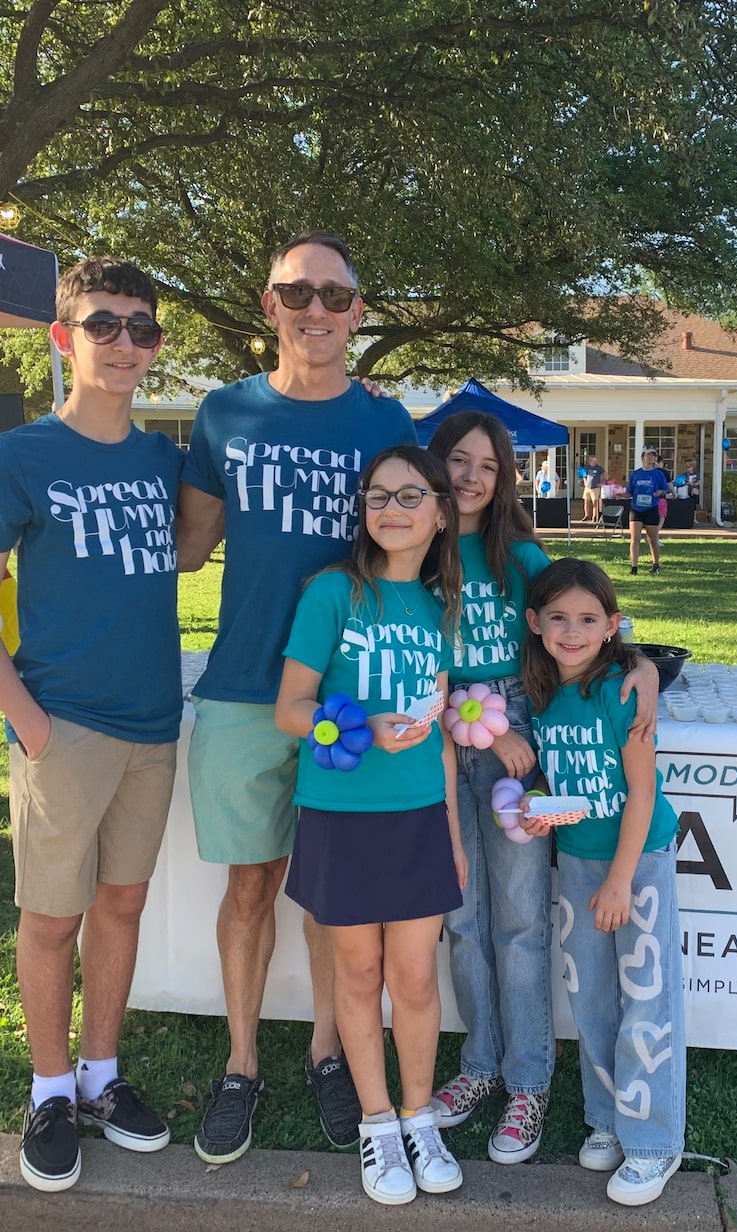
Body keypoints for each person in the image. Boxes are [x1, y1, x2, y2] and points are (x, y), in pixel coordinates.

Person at [176, 231, 417, 1163]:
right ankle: (243, 1064)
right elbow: (186, 547)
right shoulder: (222, 414)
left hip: (352, 699)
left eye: (334, 294)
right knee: (250, 888)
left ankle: (325, 1052)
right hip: (244, 690)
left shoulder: (387, 422)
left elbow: (430, 545)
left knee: (332, 900)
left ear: (356, 313)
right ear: (269, 305)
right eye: (296, 291)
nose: (315, 308)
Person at [426, 412, 659, 1165]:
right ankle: (480, 1065)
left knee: (521, 920)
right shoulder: (416, 551)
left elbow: (582, 629)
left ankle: (528, 1080)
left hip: (515, 742)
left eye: (486, 466)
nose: (469, 476)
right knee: (461, 918)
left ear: (503, 481)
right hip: (436, 737)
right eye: (457, 460)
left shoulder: (519, 555)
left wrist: (646, 668)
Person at [0, 257, 180, 1192]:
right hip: (62, 726)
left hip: (154, 727)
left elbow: (197, 549)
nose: (124, 343)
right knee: (51, 918)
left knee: (121, 905)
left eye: (142, 328)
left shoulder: (161, 460)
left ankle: (103, 1078)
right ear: (65, 338)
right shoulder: (22, 455)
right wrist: (27, 721)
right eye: (104, 324)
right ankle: (48, 1089)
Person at [275, 445, 466, 1206]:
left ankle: (421, 1116)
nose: (392, 508)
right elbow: (290, 708)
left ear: (441, 513)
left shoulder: (437, 606)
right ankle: (377, 1126)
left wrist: (451, 831)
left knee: (415, 977)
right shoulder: (333, 592)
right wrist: (356, 725)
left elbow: (443, 728)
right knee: (356, 972)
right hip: (342, 815)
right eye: (378, 495)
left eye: (410, 495)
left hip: (418, 816)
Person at [522, 557, 685, 1208]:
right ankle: (609, 1119)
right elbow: (566, 786)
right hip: (579, 860)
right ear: (534, 623)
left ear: (613, 626)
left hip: (635, 859)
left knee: (646, 1000)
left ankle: (653, 1142)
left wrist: (621, 880)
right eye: (558, 617)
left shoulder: (624, 689)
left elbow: (640, 792)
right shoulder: (540, 695)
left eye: (588, 619)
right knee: (589, 997)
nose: (571, 630)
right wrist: (540, 810)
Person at [627, 448, 667, 575]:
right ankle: (634, 567)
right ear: (642, 456)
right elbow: (630, 491)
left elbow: (664, 490)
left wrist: (660, 493)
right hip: (636, 509)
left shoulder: (658, 474)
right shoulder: (635, 474)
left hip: (651, 509)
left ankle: (655, 564)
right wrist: (620, 494)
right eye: (648, 455)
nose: (651, 458)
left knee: (652, 539)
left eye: (653, 456)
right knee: (635, 538)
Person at [654, 455, 675, 539]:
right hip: (661, 498)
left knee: (653, 520)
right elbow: (669, 486)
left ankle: (655, 537)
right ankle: (654, 536)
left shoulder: (650, 472)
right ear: (659, 462)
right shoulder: (664, 473)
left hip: (650, 499)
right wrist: (674, 494)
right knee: (661, 518)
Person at [582, 455, 606, 522]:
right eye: (589, 460)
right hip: (587, 487)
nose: (590, 462)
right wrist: (585, 481)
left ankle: (594, 516)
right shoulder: (587, 468)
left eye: (591, 460)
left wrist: (602, 483)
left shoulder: (599, 468)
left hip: (595, 488)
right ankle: (586, 515)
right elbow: (583, 475)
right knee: (586, 501)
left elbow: (605, 475)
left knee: (595, 502)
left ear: (595, 461)